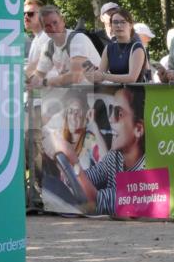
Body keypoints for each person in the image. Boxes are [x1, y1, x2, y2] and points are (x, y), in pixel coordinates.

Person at [54, 86, 146, 215]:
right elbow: (88, 178)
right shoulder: (115, 156)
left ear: (138, 129)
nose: (110, 119)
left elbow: (97, 202)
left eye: (119, 113)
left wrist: (73, 162)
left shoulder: (147, 170)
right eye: (110, 111)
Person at [29, 5, 101, 88]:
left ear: (63, 21)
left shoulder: (77, 39)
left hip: (101, 92)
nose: (53, 28)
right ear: (43, 29)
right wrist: (30, 82)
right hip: (77, 94)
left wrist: (45, 82)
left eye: (55, 22)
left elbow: (75, 76)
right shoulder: (49, 47)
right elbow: (39, 74)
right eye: (47, 26)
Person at [89, 8, 149, 85]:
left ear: (130, 25)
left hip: (138, 94)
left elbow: (132, 78)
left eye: (123, 22)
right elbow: (99, 78)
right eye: (115, 22)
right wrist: (92, 74)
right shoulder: (109, 48)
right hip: (116, 94)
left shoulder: (137, 47)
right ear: (111, 26)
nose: (119, 25)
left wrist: (104, 76)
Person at [24, 0, 47, 77]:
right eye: (24, 14)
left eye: (30, 14)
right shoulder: (36, 39)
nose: (25, 17)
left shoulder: (47, 38)